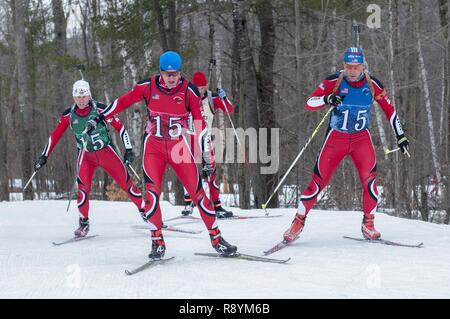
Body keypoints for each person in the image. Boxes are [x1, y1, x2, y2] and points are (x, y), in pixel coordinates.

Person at [84, 51, 237, 258]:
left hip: (177, 147)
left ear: (180, 72)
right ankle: (157, 241)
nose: (172, 78)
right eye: (167, 74)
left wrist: (207, 158)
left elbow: (200, 127)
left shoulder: (189, 91)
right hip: (153, 148)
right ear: (161, 72)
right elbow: (122, 102)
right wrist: (99, 117)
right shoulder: (147, 86)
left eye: (175, 74)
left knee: (198, 194)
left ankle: (217, 239)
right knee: (152, 196)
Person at [283, 47, 410, 242]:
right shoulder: (335, 81)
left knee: (370, 182)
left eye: (356, 67)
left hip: (361, 139)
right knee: (317, 183)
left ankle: (368, 224)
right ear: (344, 66)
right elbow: (309, 102)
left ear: (362, 66)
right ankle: (298, 222)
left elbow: (390, 110)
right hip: (336, 138)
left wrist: (400, 136)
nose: (352, 71)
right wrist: (327, 99)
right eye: (348, 66)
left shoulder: (372, 84)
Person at [34, 80, 143, 237]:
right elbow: (55, 136)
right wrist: (44, 156)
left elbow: (121, 128)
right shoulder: (68, 115)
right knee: (83, 190)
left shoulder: (101, 110)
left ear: (89, 95)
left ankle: (145, 211)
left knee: (127, 184)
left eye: (84, 96)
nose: (81, 100)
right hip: (85, 156)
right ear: (73, 97)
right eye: (78, 97)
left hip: (106, 152)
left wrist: (129, 150)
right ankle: (83, 223)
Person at [181, 70, 234, 218]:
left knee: (211, 172)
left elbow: (229, 110)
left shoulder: (212, 98)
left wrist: (224, 99)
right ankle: (188, 204)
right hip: (189, 139)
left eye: (203, 87)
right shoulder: (187, 97)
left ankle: (217, 205)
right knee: (188, 170)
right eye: (198, 88)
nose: (201, 91)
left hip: (206, 140)